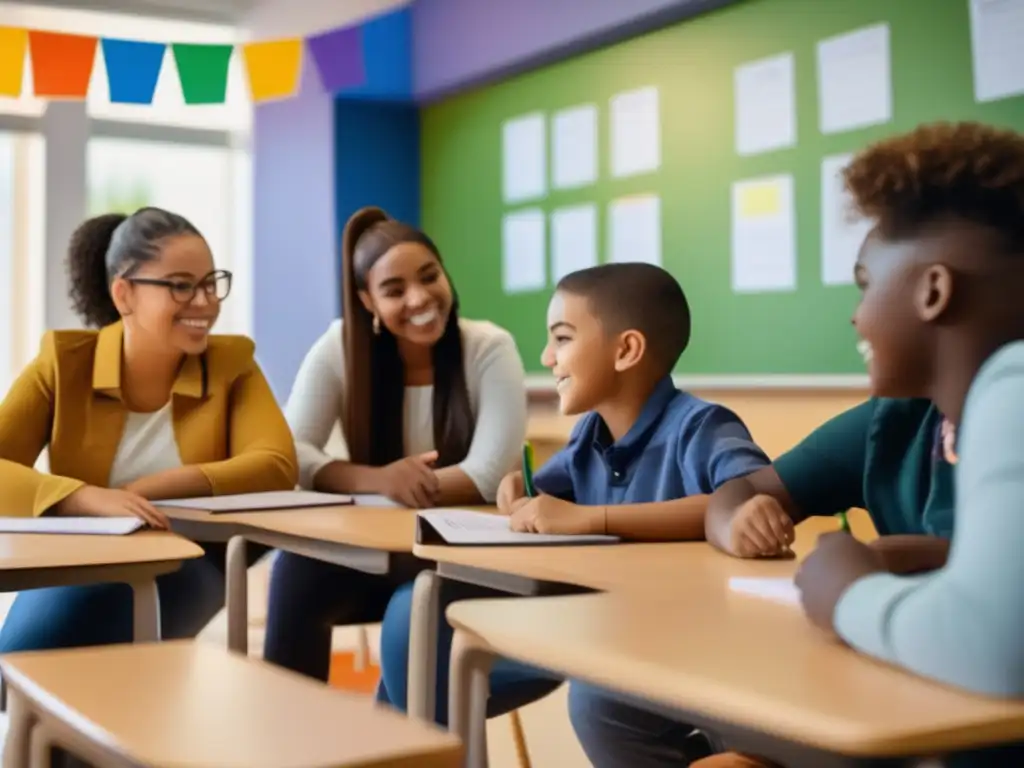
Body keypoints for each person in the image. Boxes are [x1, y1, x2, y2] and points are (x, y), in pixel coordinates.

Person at [697, 122, 1024, 766]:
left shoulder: (1014, 386)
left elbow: (994, 649)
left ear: (933, 291)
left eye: (866, 284)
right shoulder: (904, 416)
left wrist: (845, 591)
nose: (857, 315)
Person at [377, 262, 772, 767]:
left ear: (626, 350)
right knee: (414, 620)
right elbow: (548, 489)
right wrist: (520, 489)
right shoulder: (592, 434)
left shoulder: (701, 427)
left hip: (685, 639)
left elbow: (754, 494)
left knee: (573, 694)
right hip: (596, 620)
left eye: (561, 339)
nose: (547, 357)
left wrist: (596, 519)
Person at [0, 206, 297, 652]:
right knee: (20, 666)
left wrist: (148, 490)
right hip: (82, 560)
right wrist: (85, 498)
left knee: (67, 667)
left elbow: (276, 465)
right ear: (124, 295)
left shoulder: (232, 363)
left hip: (190, 560)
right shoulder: (62, 363)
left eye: (211, 284)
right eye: (181, 286)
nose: (205, 302)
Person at [263, 206, 527, 681]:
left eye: (430, 277)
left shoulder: (489, 347)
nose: (420, 297)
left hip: (464, 560)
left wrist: (406, 486)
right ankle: (288, 741)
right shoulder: (341, 346)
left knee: (417, 609)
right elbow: (291, 454)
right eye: (394, 290)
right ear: (367, 301)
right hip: (375, 555)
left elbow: (490, 473)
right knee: (296, 570)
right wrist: (382, 480)